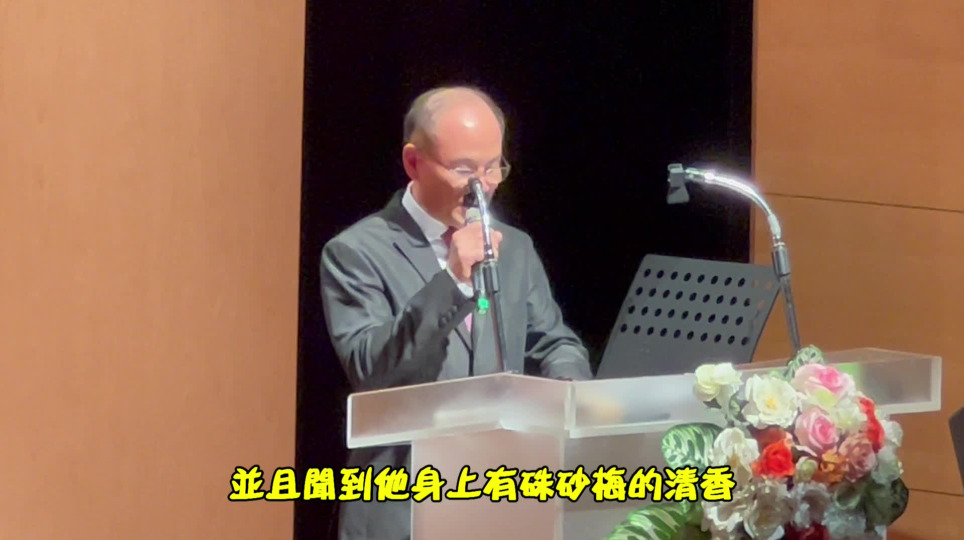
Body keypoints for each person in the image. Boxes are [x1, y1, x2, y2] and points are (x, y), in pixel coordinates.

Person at [319, 86, 592, 540]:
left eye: (493, 167)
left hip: (499, 496)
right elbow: (369, 366)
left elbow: (553, 341)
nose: (481, 187)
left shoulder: (514, 247)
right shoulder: (355, 252)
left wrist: (568, 395)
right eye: (464, 169)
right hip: (403, 504)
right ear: (414, 162)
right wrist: (452, 281)